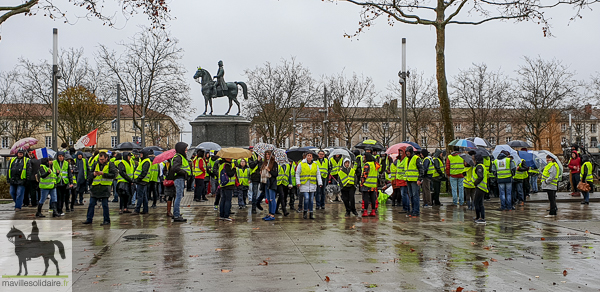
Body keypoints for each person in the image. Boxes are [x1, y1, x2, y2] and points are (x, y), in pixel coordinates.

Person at [83, 151, 117, 225]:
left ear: (106, 158)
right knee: (91, 203)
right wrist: (94, 174)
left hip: (105, 187)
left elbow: (114, 175)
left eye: (102, 159)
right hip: (95, 187)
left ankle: (106, 220)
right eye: (100, 159)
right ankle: (89, 219)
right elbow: (90, 174)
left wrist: (103, 174)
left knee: (105, 205)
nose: (101, 161)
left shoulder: (110, 164)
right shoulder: (96, 164)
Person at [295, 152, 322, 219]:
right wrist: (298, 182)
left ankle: (311, 213)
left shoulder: (315, 164)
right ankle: (305, 211)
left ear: (312, 157)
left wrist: (320, 182)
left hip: (312, 184)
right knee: (306, 198)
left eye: (310, 156)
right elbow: (297, 173)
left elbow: (318, 174)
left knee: (311, 200)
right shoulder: (301, 164)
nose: (309, 157)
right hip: (304, 184)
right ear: (306, 156)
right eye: (308, 156)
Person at [171, 142, 191, 222]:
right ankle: (176, 215)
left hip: (180, 178)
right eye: (185, 148)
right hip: (179, 178)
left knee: (178, 197)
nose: (186, 150)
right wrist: (185, 173)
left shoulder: (180, 157)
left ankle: (176, 214)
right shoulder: (178, 157)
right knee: (178, 197)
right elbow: (175, 168)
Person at [404, 147, 423, 217]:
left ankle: (416, 211)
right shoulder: (407, 159)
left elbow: (421, 169)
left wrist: (419, 179)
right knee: (411, 196)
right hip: (409, 180)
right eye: (406, 152)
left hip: (415, 180)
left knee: (415, 196)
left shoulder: (416, 158)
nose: (407, 153)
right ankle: (413, 210)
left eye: (408, 152)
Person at [132, 149, 152, 215]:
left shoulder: (146, 161)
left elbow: (144, 172)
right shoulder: (144, 161)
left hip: (142, 181)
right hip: (143, 181)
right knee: (144, 196)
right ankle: (145, 210)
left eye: (141, 154)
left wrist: (138, 179)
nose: (140, 155)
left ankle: (137, 210)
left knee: (140, 196)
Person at [260, 151, 279, 221]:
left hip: (271, 183)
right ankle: (269, 213)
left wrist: (269, 170)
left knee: (272, 199)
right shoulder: (264, 163)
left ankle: (272, 214)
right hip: (266, 183)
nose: (267, 156)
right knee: (268, 199)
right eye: (266, 154)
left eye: (268, 154)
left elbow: (275, 174)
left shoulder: (274, 164)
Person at [53, 152, 73, 216]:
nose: (61, 157)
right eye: (59, 156)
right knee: (58, 197)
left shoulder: (66, 163)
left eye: (62, 156)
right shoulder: (54, 163)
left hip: (64, 183)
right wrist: (56, 173)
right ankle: (57, 210)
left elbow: (69, 173)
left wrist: (71, 182)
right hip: (57, 182)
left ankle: (60, 210)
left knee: (62, 198)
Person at [360, 153, 380, 217]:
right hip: (373, 184)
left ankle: (365, 211)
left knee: (365, 198)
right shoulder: (375, 164)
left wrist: (361, 182)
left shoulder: (367, 165)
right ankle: (373, 211)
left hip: (367, 184)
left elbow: (365, 174)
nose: (364, 158)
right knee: (373, 198)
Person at [218, 157, 237, 221]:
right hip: (228, 184)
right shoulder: (227, 165)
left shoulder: (221, 164)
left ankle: (222, 215)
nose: (231, 158)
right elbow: (230, 174)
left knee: (223, 199)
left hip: (223, 184)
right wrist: (234, 169)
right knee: (228, 200)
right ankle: (226, 215)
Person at [473, 154, 489, 224]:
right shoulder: (481, 166)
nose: (473, 161)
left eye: (474, 159)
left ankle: (481, 218)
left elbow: (480, 177)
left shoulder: (479, 167)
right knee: (479, 203)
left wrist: (475, 183)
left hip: (480, 187)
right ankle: (479, 217)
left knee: (477, 202)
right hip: (482, 187)